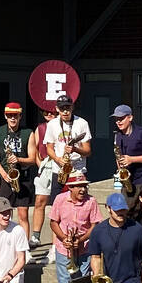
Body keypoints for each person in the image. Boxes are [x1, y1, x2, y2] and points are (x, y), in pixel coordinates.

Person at [48, 172, 102, 283]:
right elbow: (53, 222)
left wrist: (82, 239)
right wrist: (64, 238)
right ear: (70, 187)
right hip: (64, 249)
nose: (83, 189)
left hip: (83, 249)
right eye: (79, 186)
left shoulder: (91, 201)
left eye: (85, 185)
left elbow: (95, 224)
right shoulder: (59, 199)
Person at [37, 101, 92, 250]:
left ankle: (80, 244)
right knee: (57, 211)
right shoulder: (53, 124)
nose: (65, 111)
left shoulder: (82, 123)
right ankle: (56, 248)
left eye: (67, 108)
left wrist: (75, 149)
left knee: (80, 207)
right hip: (59, 170)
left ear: (72, 107)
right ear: (57, 109)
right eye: (62, 109)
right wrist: (58, 160)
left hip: (78, 170)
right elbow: (48, 148)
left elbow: (88, 151)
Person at [0, 103, 38, 239]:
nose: (12, 118)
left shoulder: (28, 133)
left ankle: (25, 247)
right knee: (3, 212)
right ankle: (3, 241)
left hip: (23, 177)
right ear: (5, 116)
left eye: (15, 116)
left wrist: (18, 160)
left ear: (20, 116)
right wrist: (3, 174)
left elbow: (33, 159)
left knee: (23, 214)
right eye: (10, 116)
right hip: (6, 177)